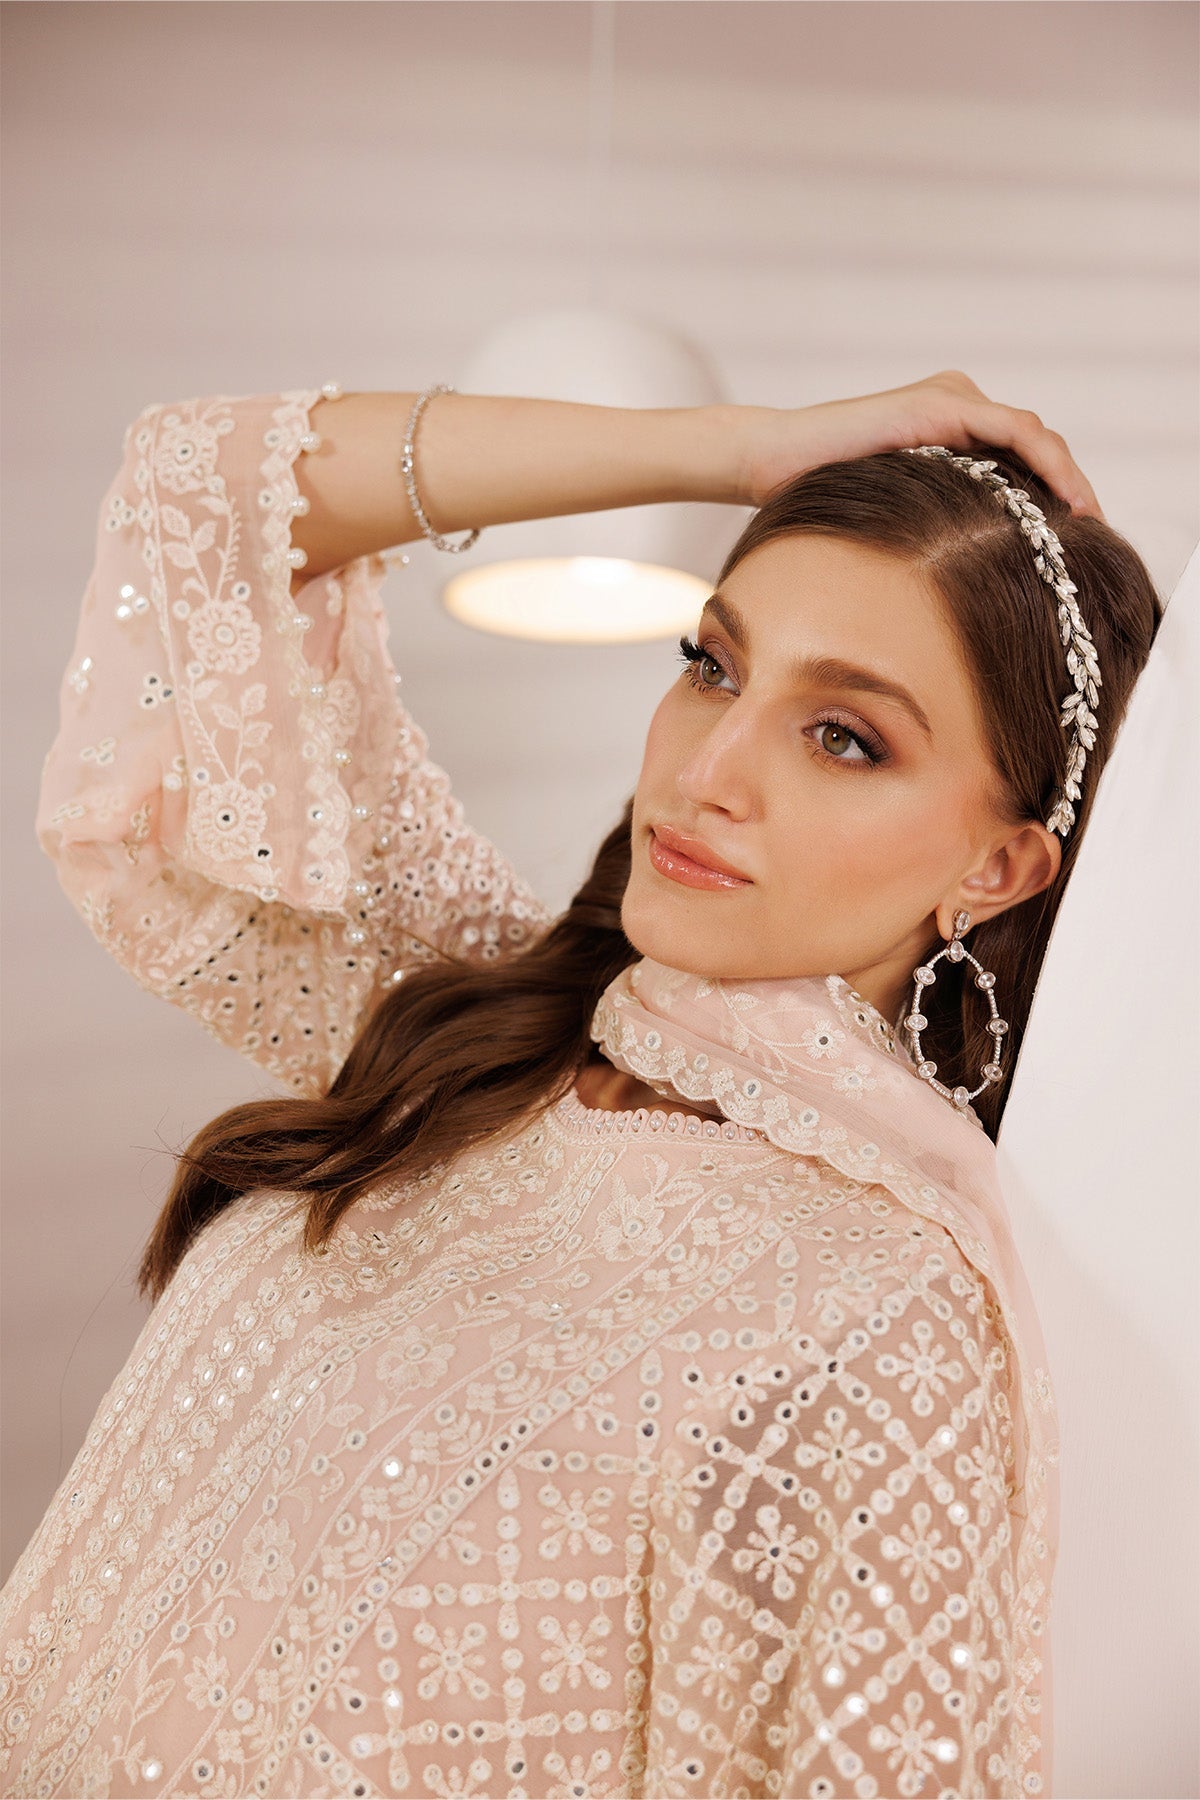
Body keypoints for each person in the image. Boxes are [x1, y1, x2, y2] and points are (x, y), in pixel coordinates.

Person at [0, 372, 1160, 1799]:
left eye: (843, 736)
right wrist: (744, 449)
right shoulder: (482, 1027)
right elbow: (198, 494)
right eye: (713, 665)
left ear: (998, 866)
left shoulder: (885, 1312)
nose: (709, 769)